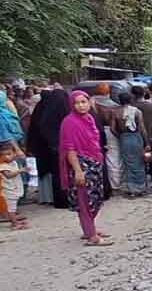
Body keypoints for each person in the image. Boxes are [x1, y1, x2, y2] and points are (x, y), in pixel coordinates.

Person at [60, 91, 111, 246]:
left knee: (95, 198)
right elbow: (70, 149)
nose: (81, 106)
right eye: (77, 103)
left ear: (89, 103)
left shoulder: (89, 119)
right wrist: (78, 170)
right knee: (85, 200)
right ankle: (91, 236)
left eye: (84, 102)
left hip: (94, 162)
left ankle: (90, 229)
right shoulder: (69, 122)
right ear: (71, 105)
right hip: (81, 164)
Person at [28, 89, 71, 207]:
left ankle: (53, 199)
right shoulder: (64, 110)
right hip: (58, 148)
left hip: (47, 148)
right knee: (61, 173)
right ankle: (64, 199)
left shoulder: (42, 111)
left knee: (54, 174)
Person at [112, 93, 148, 197]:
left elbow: (112, 129)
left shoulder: (116, 112)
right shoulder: (137, 111)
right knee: (139, 162)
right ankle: (141, 188)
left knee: (128, 164)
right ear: (131, 100)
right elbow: (142, 128)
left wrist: (121, 136)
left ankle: (131, 189)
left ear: (120, 100)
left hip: (124, 139)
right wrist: (147, 142)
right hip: (136, 138)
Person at [130, 86, 152, 191]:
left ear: (132, 95)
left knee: (139, 164)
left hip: (135, 140)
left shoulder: (130, 107)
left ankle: (141, 185)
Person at [91, 83, 123, 191]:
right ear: (108, 92)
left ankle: (103, 182)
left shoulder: (91, 103)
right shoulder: (114, 106)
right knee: (114, 157)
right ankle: (115, 183)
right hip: (111, 132)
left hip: (94, 132)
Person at [0, 142, 29, 230]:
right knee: (11, 209)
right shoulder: (2, 165)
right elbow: (8, 175)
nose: (6, 157)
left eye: (9, 154)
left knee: (13, 207)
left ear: (14, 154)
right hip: (8, 190)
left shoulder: (14, 163)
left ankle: (15, 221)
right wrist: (20, 171)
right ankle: (15, 224)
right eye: (3, 155)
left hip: (14, 188)